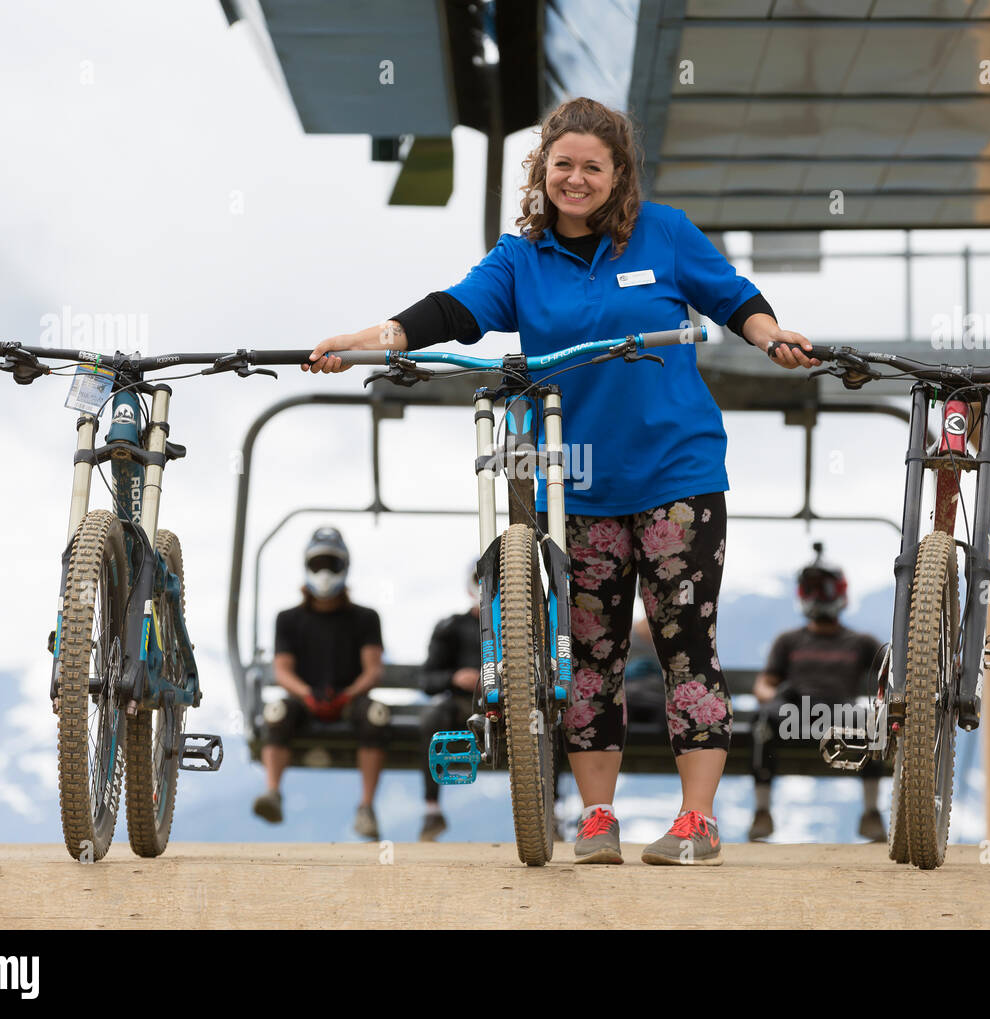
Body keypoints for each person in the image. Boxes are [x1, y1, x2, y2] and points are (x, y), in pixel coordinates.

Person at [305, 96, 817, 866]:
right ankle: (598, 816)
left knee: (685, 644)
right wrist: (369, 340)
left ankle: (698, 820)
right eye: (562, 164)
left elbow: (734, 298)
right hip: (575, 486)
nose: (575, 179)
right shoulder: (521, 257)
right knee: (589, 656)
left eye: (592, 167)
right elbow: (453, 310)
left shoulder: (664, 234)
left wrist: (771, 334)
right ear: (541, 169)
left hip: (677, 471)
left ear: (619, 176)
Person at [252, 527, 388, 840]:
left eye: (331, 564)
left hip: (349, 700)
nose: (324, 572)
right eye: (318, 564)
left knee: (376, 715)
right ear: (307, 567)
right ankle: (272, 792)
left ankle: (366, 808)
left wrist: (347, 695)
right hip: (305, 700)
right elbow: (282, 670)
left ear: (344, 567)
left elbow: (373, 670)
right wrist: (307, 693)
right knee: (275, 713)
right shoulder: (288, 619)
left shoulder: (366, 618)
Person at [749, 543, 886, 843]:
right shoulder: (788, 641)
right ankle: (762, 813)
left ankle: (872, 813)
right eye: (812, 590)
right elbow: (765, 683)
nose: (818, 598)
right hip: (795, 715)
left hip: (840, 717)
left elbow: (887, 680)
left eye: (822, 590)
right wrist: (771, 698)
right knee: (762, 722)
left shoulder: (861, 642)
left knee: (873, 724)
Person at [417, 562, 482, 841]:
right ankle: (432, 810)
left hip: (511, 709)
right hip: (461, 708)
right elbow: (427, 681)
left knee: (545, 722)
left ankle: (548, 812)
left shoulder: (526, 628)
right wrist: (455, 678)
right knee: (432, 720)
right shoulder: (451, 627)